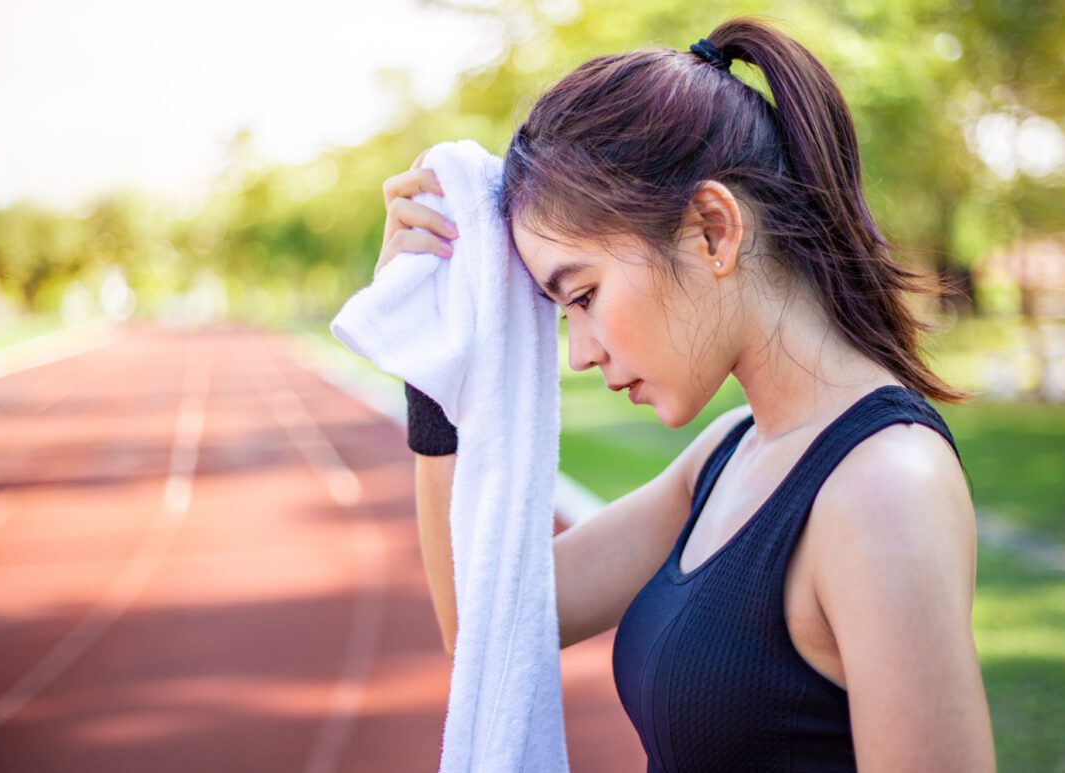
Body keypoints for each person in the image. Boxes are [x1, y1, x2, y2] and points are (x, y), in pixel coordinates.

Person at [376, 14, 996, 773]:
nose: (579, 352)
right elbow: (481, 621)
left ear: (712, 229)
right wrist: (436, 364)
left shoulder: (883, 488)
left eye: (586, 294)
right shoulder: (728, 454)